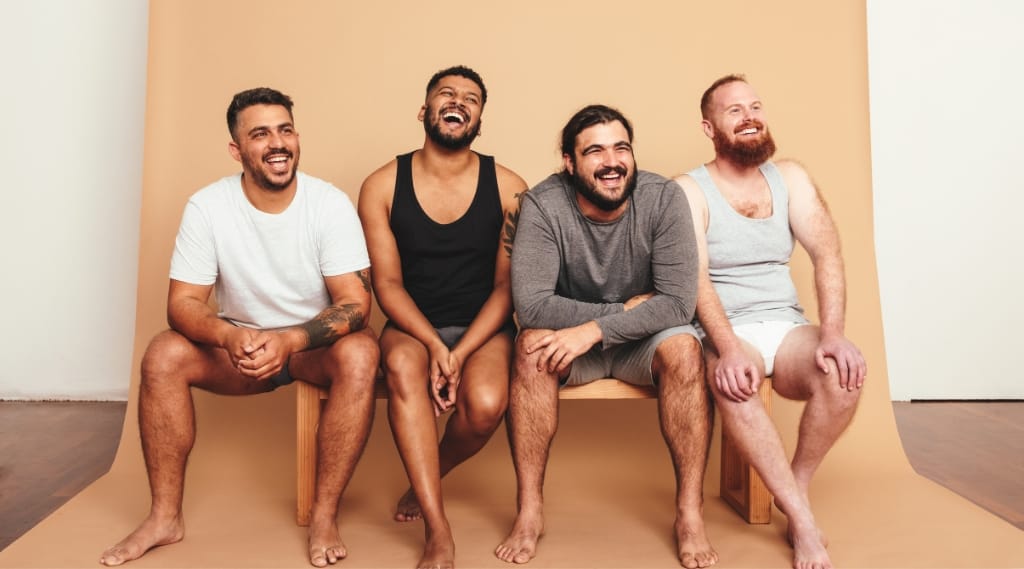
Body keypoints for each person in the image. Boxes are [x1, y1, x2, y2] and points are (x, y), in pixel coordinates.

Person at [99, 87, 379, 568]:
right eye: (261, 133)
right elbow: (182, 303)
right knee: (163, 353)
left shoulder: (328, 204)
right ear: (237, 149)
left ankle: (324, 515)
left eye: (285, 130)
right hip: (240, 347)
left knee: (362, 353)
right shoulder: (208, 207)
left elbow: (356, 305)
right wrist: (230, 336)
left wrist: (290, 339)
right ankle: (165, 517)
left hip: (310, 348)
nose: (277, 143)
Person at [496, 104, 718, 569]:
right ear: (569, 162)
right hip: (571, 343)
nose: (611, 161)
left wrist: (595, 328)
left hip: (645, 342)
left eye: (621, 147)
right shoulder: (541, 204)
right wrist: (616, 313)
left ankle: (689, 515)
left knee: (683, 346)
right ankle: (530, 512)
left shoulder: (663, 198)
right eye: (594, 151)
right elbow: (533, 306)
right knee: (531, 346)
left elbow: (677, 304)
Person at [674, 74, 866, 569]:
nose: (749, 116)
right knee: (734, 382)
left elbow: (827, 255)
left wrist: (833, 334)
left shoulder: (791, 178)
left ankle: (794, 487)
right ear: (708, 126)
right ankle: (803, 524)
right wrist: (729, 348)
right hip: (727, 326)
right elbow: (695, 282)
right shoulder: (688, 191)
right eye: (734, 110)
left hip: (785, 322)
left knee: (843, 376)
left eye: (755, 106)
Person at [357, 65, 527, 569]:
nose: (458, 102)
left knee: (486, 403)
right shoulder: (381, 185)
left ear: (479, 120)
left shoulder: (511, 187)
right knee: (407, 373)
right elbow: (386, 285)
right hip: (412, 326)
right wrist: (434, 345)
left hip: (485, 326)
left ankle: (428, 476)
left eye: (471, 98)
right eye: (446, 94)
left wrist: (461, 350)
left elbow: (506, 287)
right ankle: (438, 529)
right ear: (425, 111)